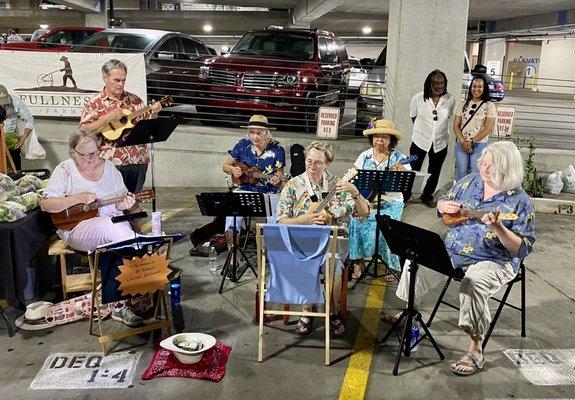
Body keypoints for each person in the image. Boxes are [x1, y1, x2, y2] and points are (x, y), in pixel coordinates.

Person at [383, 141, 535, 376]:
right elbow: (444, 206)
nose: (483, 168)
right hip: (454, 250)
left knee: (472, 282)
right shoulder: (470, 181)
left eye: (490, 165)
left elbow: (521, 248)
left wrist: (499, 228)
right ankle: (410, 314)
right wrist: (443, 205)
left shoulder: (519, 201)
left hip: (495, 259)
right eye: (483, 162)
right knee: (416, 259)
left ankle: (476, 347)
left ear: (507, 168)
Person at [40, 130, 154, 327]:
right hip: (76, 227)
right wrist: (76, 198)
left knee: (118, 237)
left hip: (114, 224)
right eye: (85, 155)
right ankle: (143, 283)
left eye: (95, 153)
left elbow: (120, 199)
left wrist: (125, 204)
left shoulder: (109, 167)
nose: (91, 158)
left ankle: (119, 302)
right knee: (119, 232)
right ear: (72, 152)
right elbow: (46, 205)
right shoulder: (65, 170)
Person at [276, 141, 370, 337]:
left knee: (333, 265)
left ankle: (332, 311)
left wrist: (355, 192)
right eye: (309, 161)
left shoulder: (338, 184)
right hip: (301, 241)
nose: (311, 167)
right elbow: (281, 220)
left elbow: (363, 213)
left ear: (327, 163)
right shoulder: (293, 185)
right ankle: (306, 310)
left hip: (331, 241)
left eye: (317, 163)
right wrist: (304, 219)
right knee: (305, 261)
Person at [80, 59, 161, 230]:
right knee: (112, 206)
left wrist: (153, 114)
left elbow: (147, 127)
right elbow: (84, 130)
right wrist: (107, 118)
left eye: (123, 80)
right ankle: (115, 239)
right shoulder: (95, 103)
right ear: (105, 78)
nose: (121, 84)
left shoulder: (135, 100)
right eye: (117, 80)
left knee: (133, 202)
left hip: (137, 161)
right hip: (111, 164)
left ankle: (136, 239)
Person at [348, 119, 411, 281]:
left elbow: (406, 185)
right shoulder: (365, 156)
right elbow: (354, 177)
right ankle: (358, 262)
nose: (380, 140)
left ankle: (391, 265)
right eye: (376, 137)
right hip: (368, 200)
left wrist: (401, 171)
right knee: (356, 220)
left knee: (387, 224)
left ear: (391, 139)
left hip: (391, 200)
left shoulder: (400, 158)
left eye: (384, 137)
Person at [221, 114, 285, 251]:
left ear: (267, 133)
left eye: (258, 133)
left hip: (269, 191)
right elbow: (225, 166)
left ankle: (272, 254)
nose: (254, 137)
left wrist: (277, 179)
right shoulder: (242, 145)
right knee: (231, 216)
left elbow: (280, 173)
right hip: (244, 188)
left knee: (276, 218)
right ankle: (233, 256)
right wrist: (233, 169)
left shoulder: (277, 149)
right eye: (251, 133)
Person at [408, 69, 455, 207]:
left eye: (442, 83)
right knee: (413, 170)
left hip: (440, 142)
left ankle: (427, 196)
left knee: (434, 171)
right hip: (420, 141)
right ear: (429, 83)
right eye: (436, 83)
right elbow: (413, 117)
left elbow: (449, 117)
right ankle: (405, 195)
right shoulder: (418, 98)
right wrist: (425, 130)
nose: (439, 86)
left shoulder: (450, 99)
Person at [453, 74, 496, 180]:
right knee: (461, 174)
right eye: (474, 86)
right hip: (461, 145)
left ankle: (473, 196)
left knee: (475, 174)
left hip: (479, 146)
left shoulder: (489, 106)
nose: (476, 89)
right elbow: (456, 125)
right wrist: (463, 142)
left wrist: (471, 142)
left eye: (479, 87)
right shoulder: (463, 104)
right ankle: (461, 196)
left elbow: (488, 129)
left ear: (484, 88)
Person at [0, 84, 34, 171]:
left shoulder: (15, 100)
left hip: (11, 142)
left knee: (14, 172)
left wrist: (23, 137)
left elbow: (29, 119)